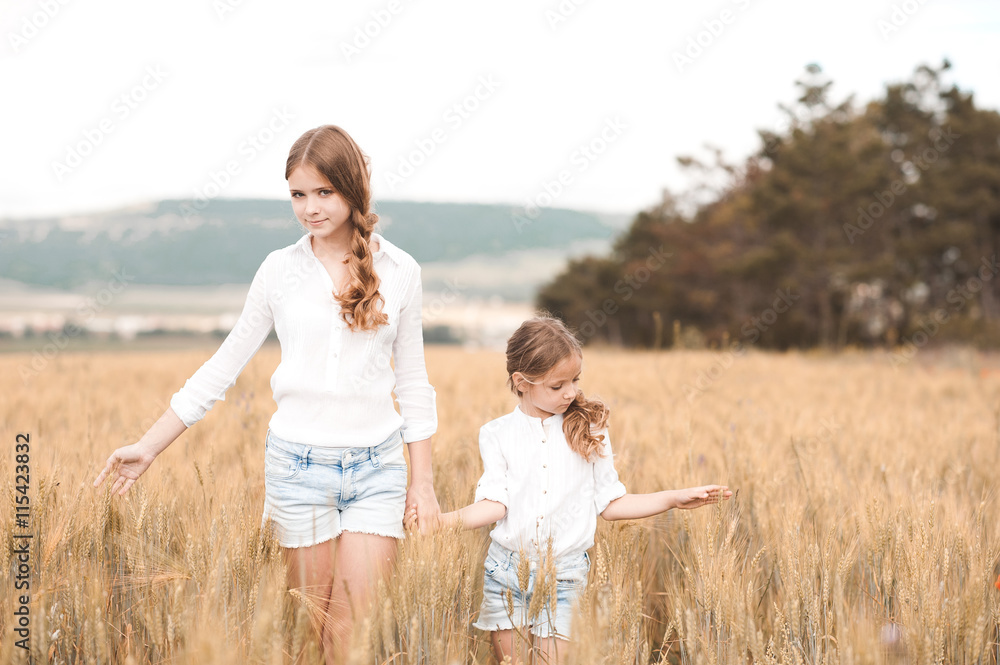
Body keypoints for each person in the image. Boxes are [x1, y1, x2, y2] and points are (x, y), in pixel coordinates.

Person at [93, 125, 441, 664]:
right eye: (298, 194)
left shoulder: (401, 271)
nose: (309, 208)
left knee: (351, 637)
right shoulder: (279, 270)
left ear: (352, 188)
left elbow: (414, 383)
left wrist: (423, 483)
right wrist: (150, 445)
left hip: (378, 471)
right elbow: (222, 366)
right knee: (306, 633)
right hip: (298, 471)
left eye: (323, 192)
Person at [406, 316, 731, 664]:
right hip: (504, 573)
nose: (571, 393)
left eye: (575, 381)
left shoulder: (590, 429)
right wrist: (441, 522)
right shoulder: (496, 434)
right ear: (522, 382)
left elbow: (611, 503)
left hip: (565, 575)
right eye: (557, 385)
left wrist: (673, 498)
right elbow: (495, 504)